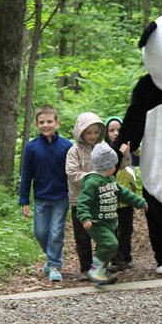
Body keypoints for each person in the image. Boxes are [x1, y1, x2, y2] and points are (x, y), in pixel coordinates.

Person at [77, 143, 148, 285]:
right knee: (110, 243)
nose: (115, 167)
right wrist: (85, 217)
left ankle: (100, 274)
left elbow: (124, 194)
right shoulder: (92, 182)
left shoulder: (110, 180)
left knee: (110, 247)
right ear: (107, 166)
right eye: (114, 165)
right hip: (96, 223)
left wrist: (140, 202)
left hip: (109, 222)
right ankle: (95, 270)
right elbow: (83, 202)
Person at [19, 105, 72, 282]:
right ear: (37, 125)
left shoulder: (66, 146)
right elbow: (26, 174)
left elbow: (72, 172)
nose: (46, 125)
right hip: (41, 197)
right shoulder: (32, 147)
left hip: (61, 197)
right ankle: (51, 259)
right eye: (42, 122)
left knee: (56, 232)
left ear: (57, 123)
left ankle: (55, 265)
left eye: (49, 121)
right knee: (40, 233)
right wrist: (24, 200)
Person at [65, 112, 107, 278]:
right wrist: (93, 180)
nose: (92, 136)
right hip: (80, 201)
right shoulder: (73, 151)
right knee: (82, 236)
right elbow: (72, 173)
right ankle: (85, 268)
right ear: (81, 132)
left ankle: (99, 267)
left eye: (96, 132)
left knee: (102, 234)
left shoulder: (103, 148)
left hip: (100, 199)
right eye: (88, 133)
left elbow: (111, 166)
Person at [104, 117, 136, 272]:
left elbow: (129, 168)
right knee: (112, 228)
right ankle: (116, 259)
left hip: (126, 196)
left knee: (126, 228)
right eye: (111, 130)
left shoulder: (129, 147)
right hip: (109, 196)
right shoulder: (103, 149)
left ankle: (126, 256)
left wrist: (127, 154)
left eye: (119, 130)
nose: (116, 133)